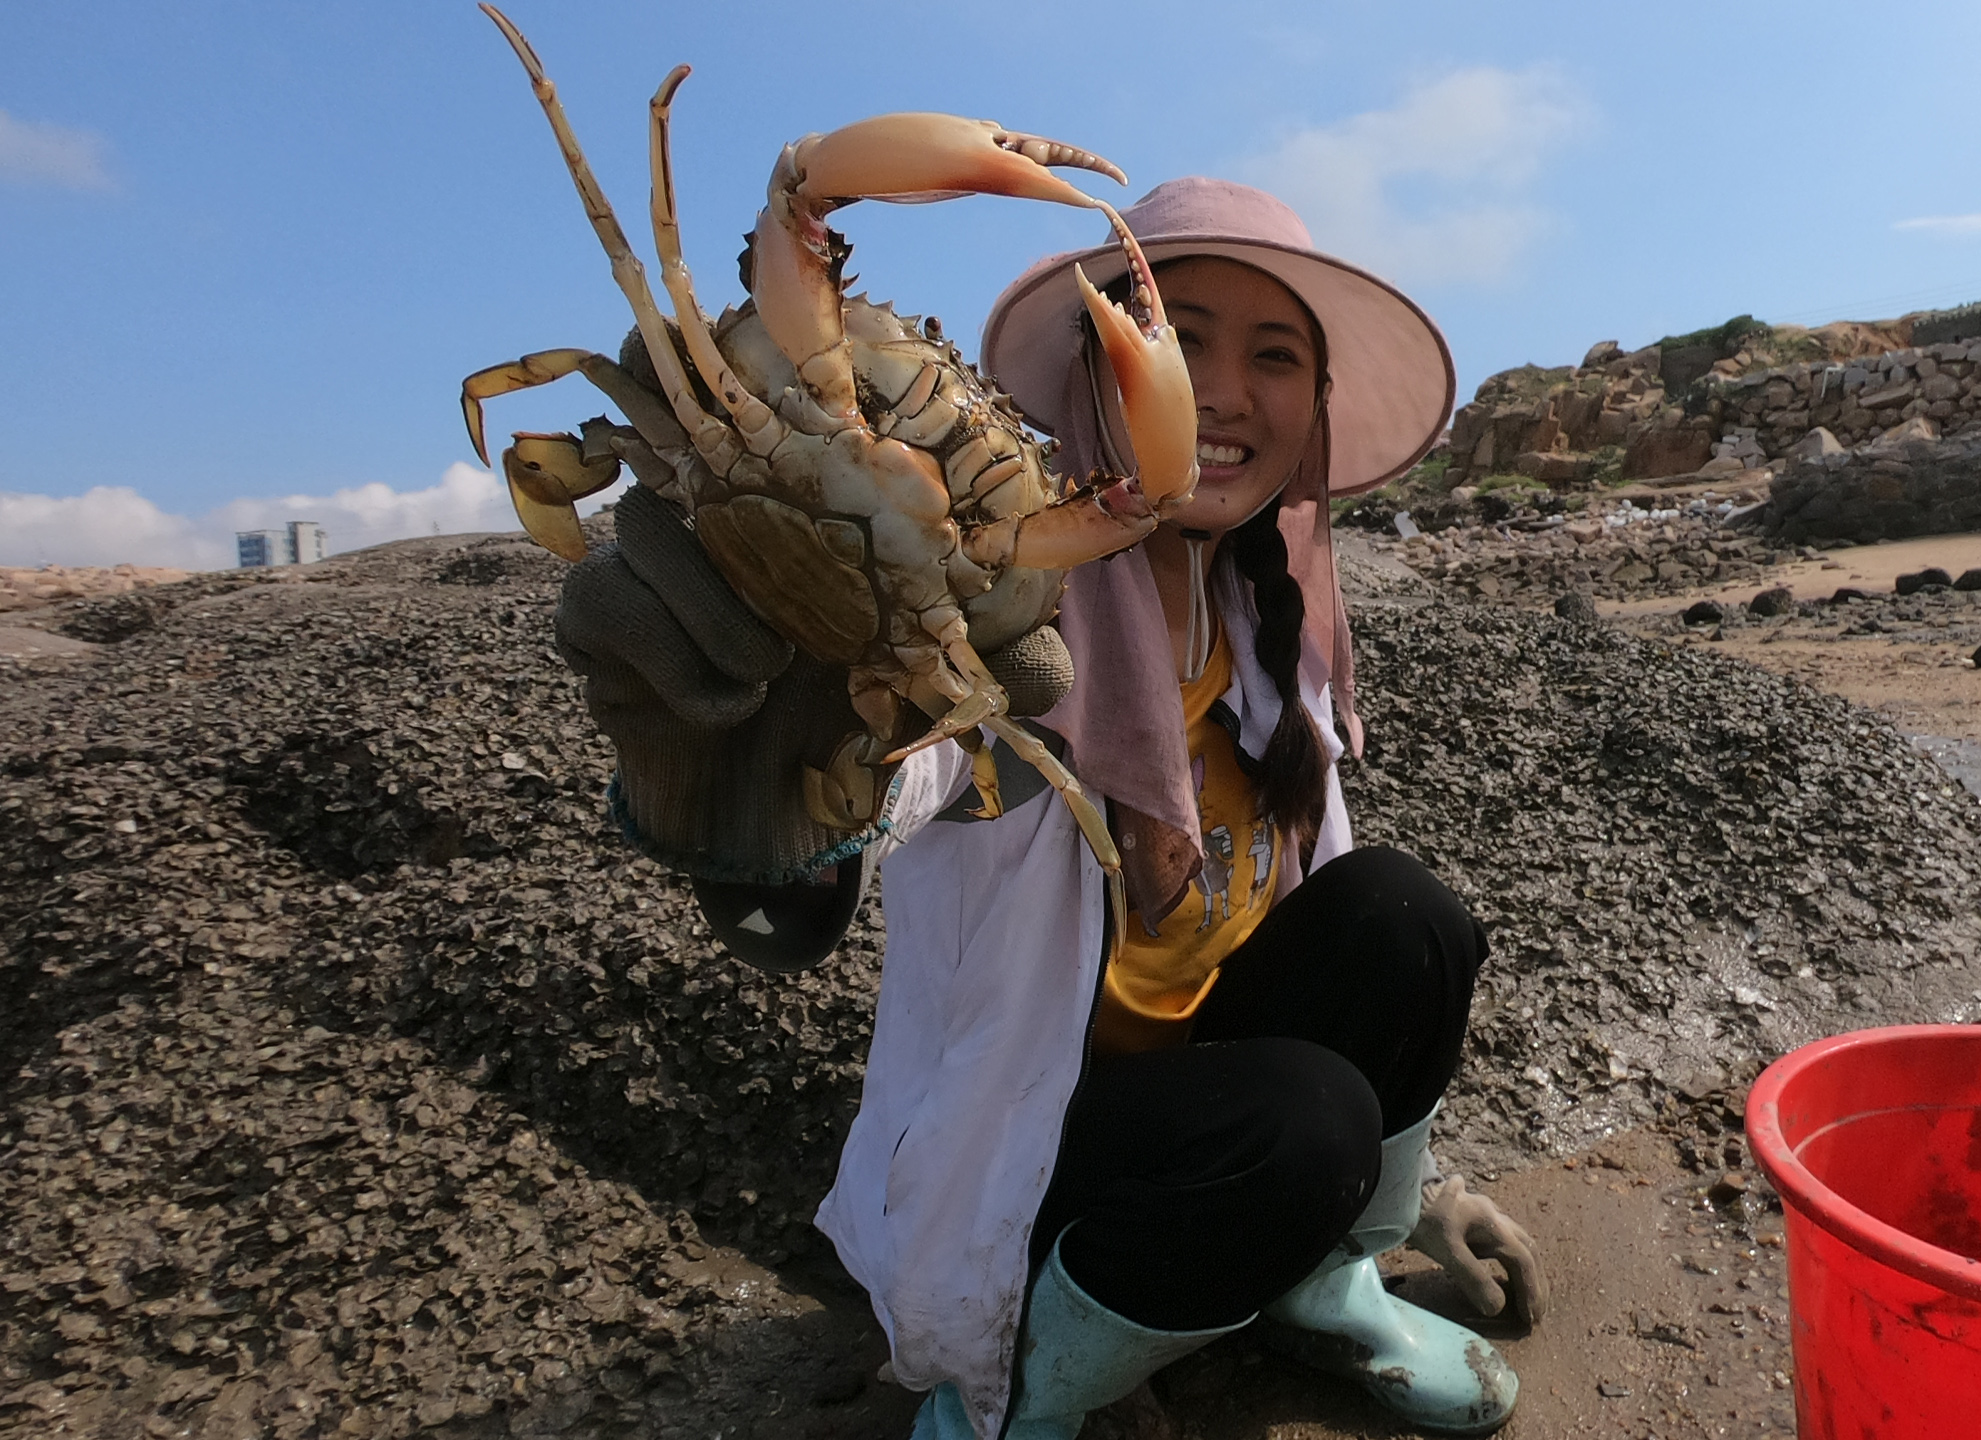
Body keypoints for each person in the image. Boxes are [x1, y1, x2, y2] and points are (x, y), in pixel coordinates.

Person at [554, 178, 1543, 1440]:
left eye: (1274, 356)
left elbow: (1328, 901)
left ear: (1316, 407)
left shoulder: (1270, 621)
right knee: (1306, 1120)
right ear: (1089, 376)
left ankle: (1321, 1277)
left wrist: (1410, 1196)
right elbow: (854, 823)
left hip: (1215, 1088)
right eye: (1173, 341)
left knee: (1405, 917)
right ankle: (1021, 1401)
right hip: (1033, 1152)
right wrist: (739, 757)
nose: (1223, 392)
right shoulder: (992, 610)